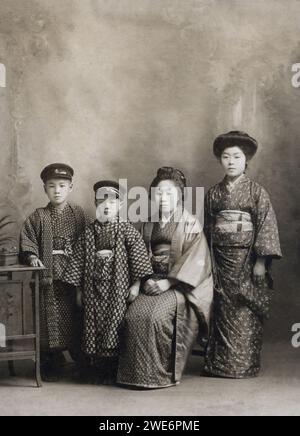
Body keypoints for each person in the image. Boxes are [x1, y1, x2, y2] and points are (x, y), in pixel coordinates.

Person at [117, 167, 213, 389]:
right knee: (133, 316)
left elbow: (195, 260)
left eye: (169, 193)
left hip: (178, 285)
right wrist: (143, 280)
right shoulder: (148, 224)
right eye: (159, 193)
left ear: (180, 195)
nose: (163, 198)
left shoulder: (190, 223)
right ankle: (134, 375)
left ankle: (160, 374)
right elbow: (138, 256)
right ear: (152, 196)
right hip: (152, 280)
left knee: (155, 317)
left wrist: (168, 282)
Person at [204, 131, 282, 379]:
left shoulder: (256, 192)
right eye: (226, 157)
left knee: (244, 312)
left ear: (245, 160)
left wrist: (261, 262)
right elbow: (207, 228)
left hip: (247, 260)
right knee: (221, 308)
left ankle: (244, 365)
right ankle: (219, 365)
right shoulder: (213, 193)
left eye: (236, 156)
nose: (231, 161)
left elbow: (265, 226)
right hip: (219, 261)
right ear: (220, 161)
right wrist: (207, 261)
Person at [63, 180, 153, 385]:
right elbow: (77, 261)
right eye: (102, 202)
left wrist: (136, 284)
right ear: (96, 204)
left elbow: (138, 258)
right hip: (92, 287)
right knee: (92, 324)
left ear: (120, 205)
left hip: (118, 287)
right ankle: (96, 367)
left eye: (111, 203)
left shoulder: (127, 230)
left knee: (115, 323)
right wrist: (78, 291)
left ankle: (113, 368)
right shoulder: (88, 232)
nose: (106, 206)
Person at [20, 163, 89, 381]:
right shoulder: (38, 216)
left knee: (75, 316)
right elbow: (28, 240)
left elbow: (87, 240)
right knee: (49, 320)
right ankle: (51, 360)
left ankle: (80, 358)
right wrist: (31, 256)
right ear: (45, 189)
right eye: (52, 186)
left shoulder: (78, 214)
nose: (57, 190)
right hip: (47, 278)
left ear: (71, 187)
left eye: (62, 185)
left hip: (72, 276)